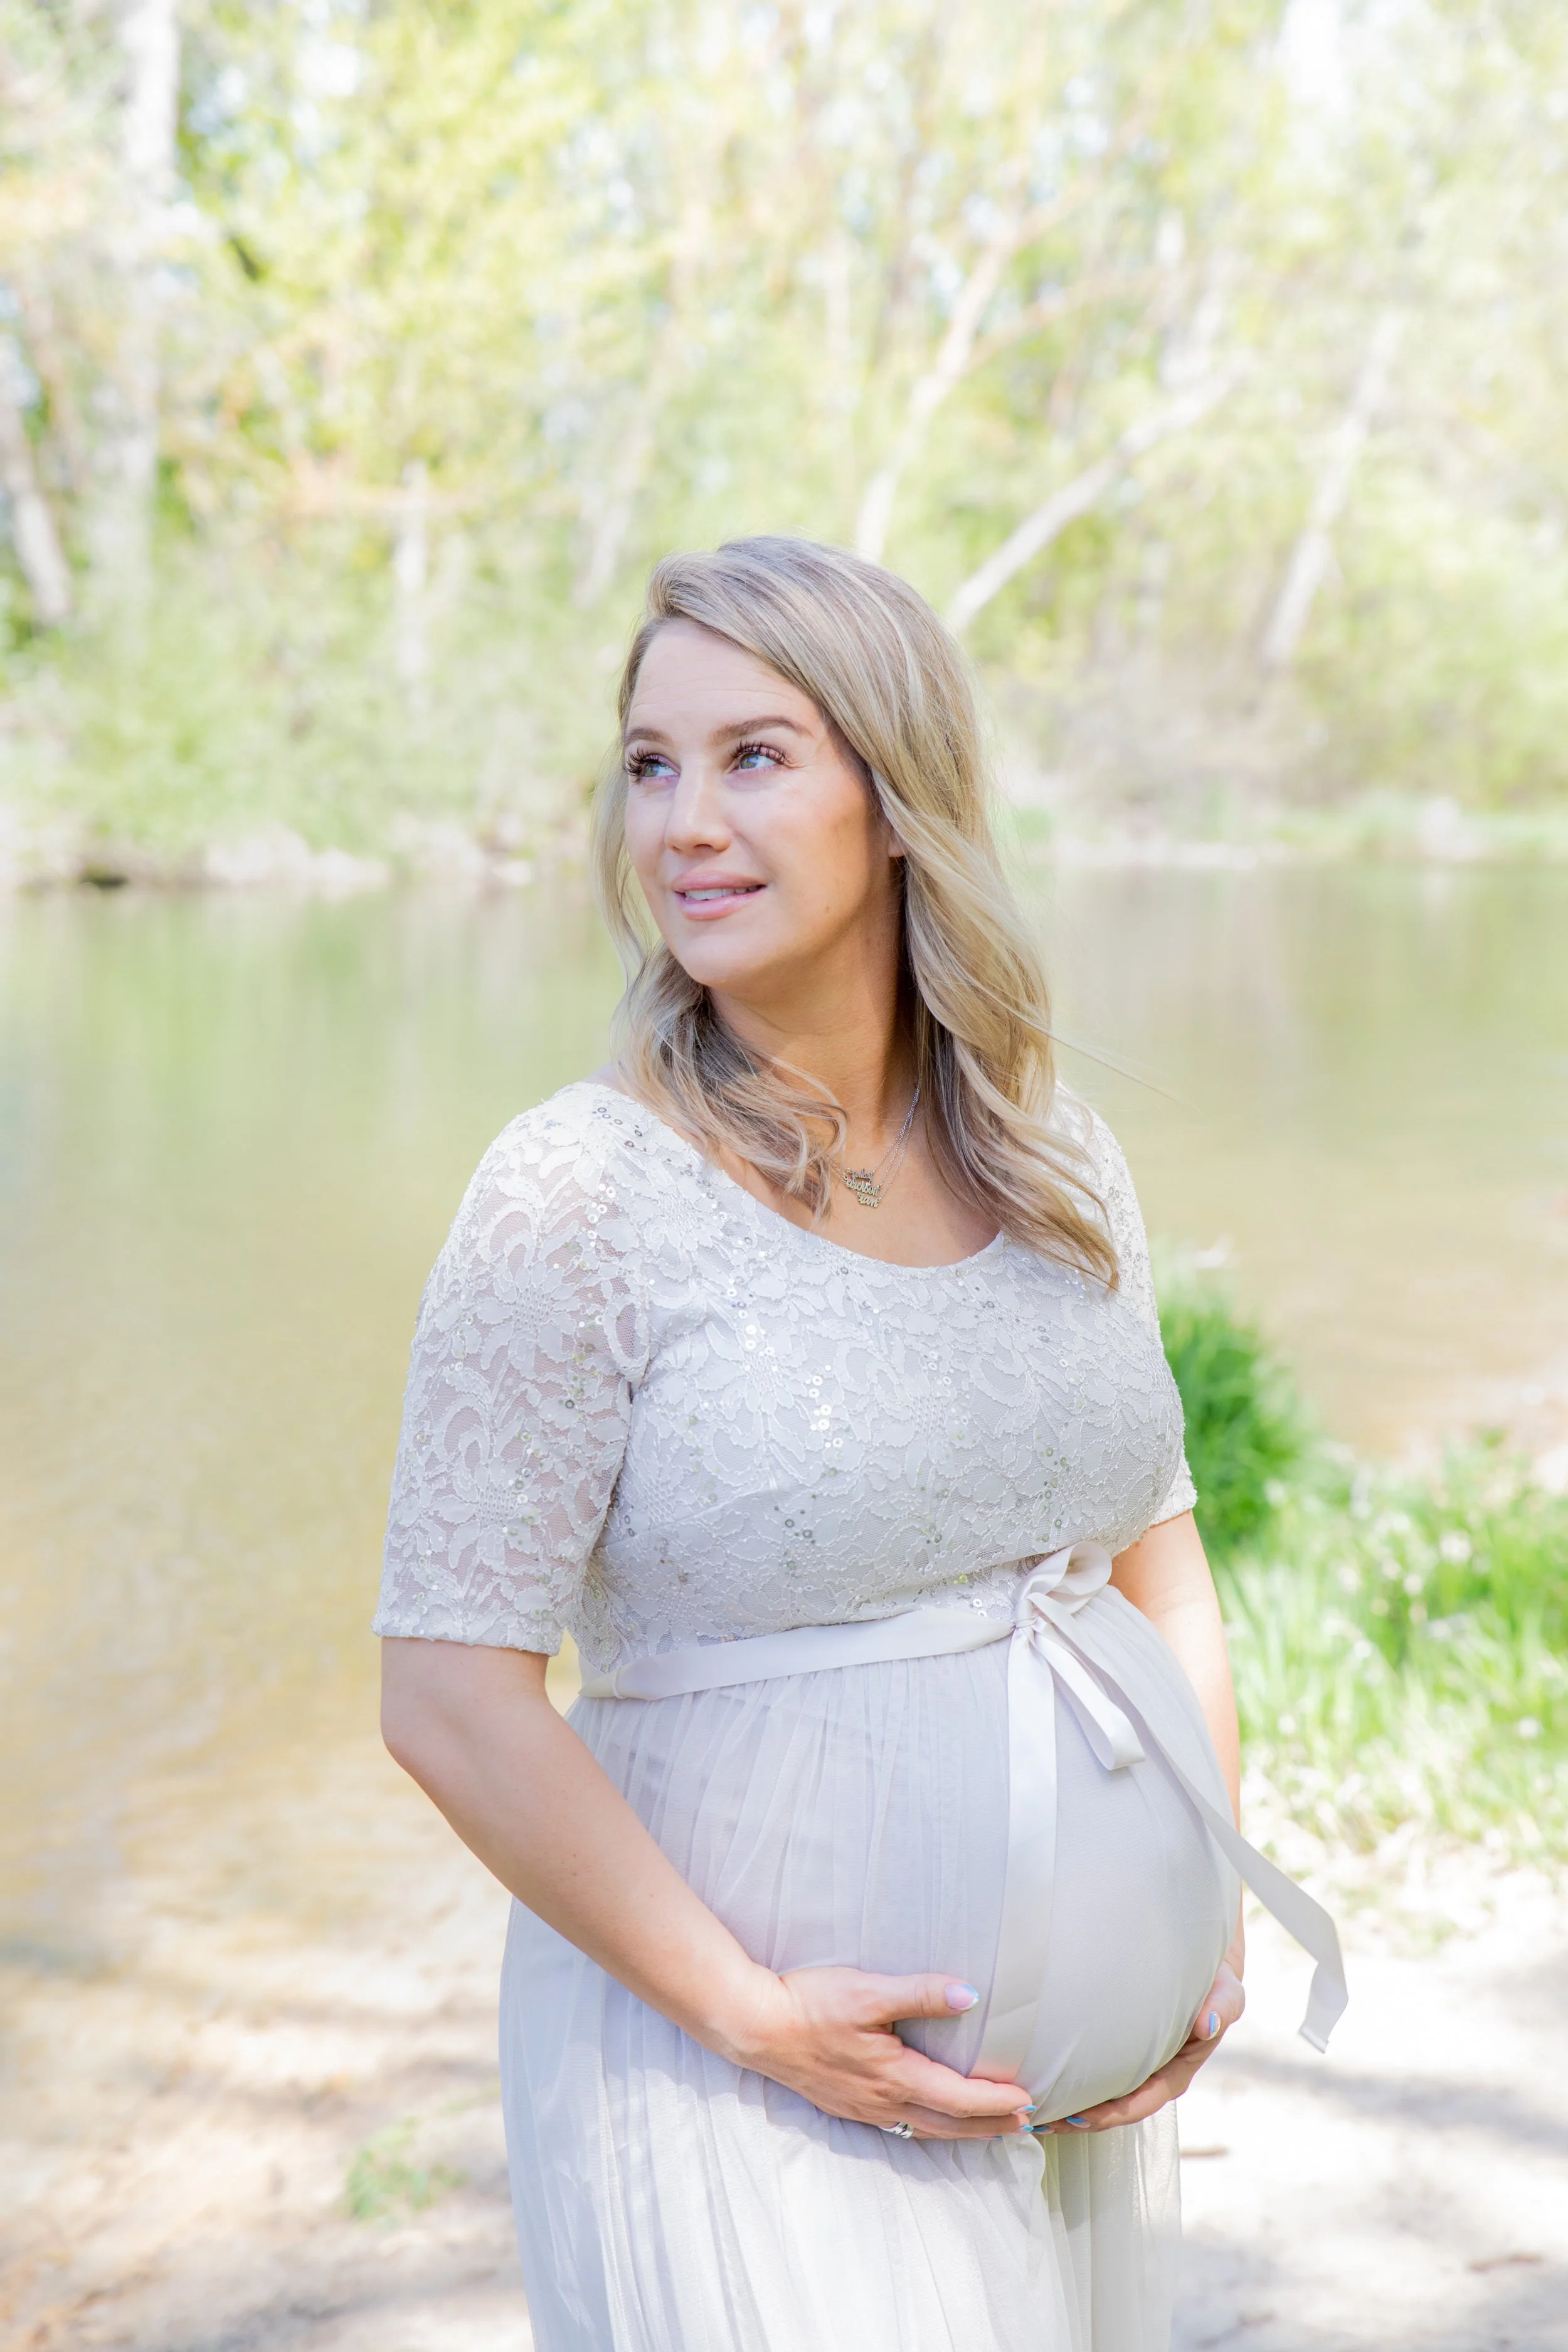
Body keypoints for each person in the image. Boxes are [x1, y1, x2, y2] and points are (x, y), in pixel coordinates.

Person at [374, 536, 1343, 2352]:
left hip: (1055, 2092)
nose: (682, 821)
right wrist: (751, 2011)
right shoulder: (573, 1193)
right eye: (649, 762)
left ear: (898, 799)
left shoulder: (1050, 1153)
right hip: (731, 2072)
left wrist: (1195, 1914)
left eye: (755, 755)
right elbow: (446, 1691)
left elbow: (1158, 1562)